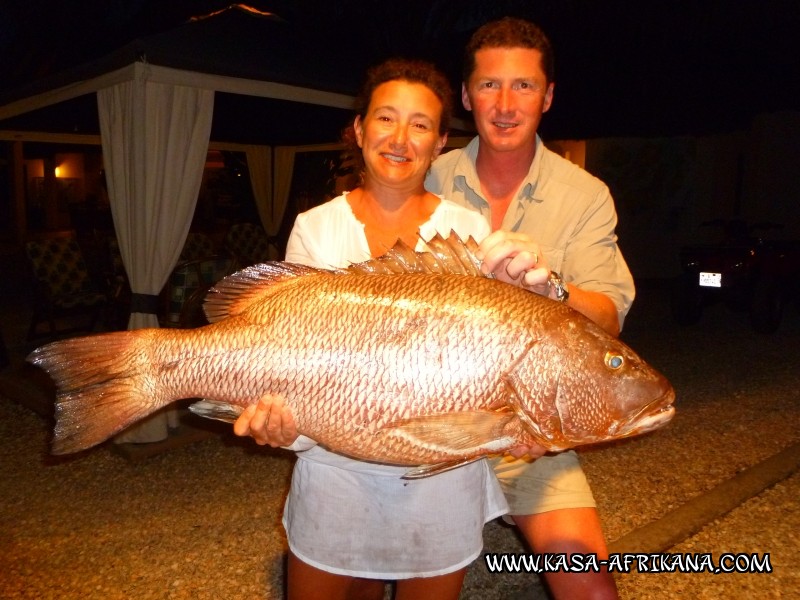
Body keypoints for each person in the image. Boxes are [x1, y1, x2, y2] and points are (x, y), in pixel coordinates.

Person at [235, 58, 509, 600]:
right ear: (359, 130)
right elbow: (288, 349)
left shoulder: (469, 230)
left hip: (440, 481)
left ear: (439, 144)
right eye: (385, 119)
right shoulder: (316, 228)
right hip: (336, 475)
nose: (400, 138)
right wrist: (282, 419)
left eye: (420, 124)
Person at [424, 17, 634, 599]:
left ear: (548, 96)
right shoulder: (427, 177)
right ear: (466, 97)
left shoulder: (583, 195)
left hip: (532, 428)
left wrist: (553, 292)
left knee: (590, 588)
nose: (506, 104)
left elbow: (610, 316)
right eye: (490, 85)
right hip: (429, 416)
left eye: (523, 86)